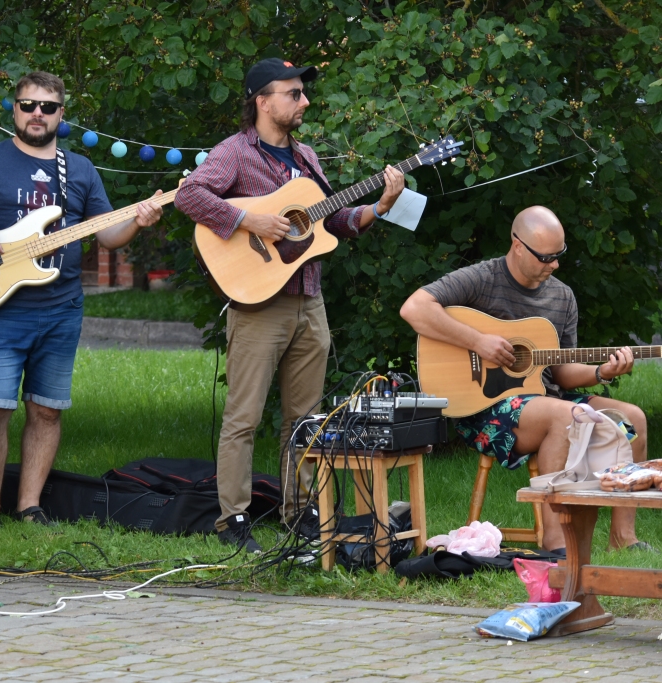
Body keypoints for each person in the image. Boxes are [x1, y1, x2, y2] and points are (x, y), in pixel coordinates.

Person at [174, 57, 405, 552]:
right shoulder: (234, 152)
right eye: (292, 93)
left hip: (309, 300)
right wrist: (248, 222)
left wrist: (380, 207)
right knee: (244, 417)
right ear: (261, 99)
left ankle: (298, 511)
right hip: (259, 303)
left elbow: (333, 222)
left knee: (306, 419)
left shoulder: (306, 158)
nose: (304, 101)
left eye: (302, 93)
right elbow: (189, 196)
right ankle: (232, 519)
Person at [0, 71, 163, 528]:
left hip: (61, 309)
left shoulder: (79, 170)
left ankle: (30, 506)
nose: (37, 113)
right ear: (14, 108)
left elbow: (108, 235)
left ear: (61, 113)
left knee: (46, 409)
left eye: (48, 107)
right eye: (28, 104)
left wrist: (139, 219)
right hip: (2, 307)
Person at [399, 205, 651, 554]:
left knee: (632, 418)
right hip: (485, 410)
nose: (555, 265)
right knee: (565, 415)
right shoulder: (482, 278)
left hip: (544, 400)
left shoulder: (562, 296)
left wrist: (600, 372)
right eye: (546, 257)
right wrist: (477, 341)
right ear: (518, 245)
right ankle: (556, 542)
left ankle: (624, 538)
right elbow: (414, 308)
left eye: (559, 256)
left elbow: (561, 374)